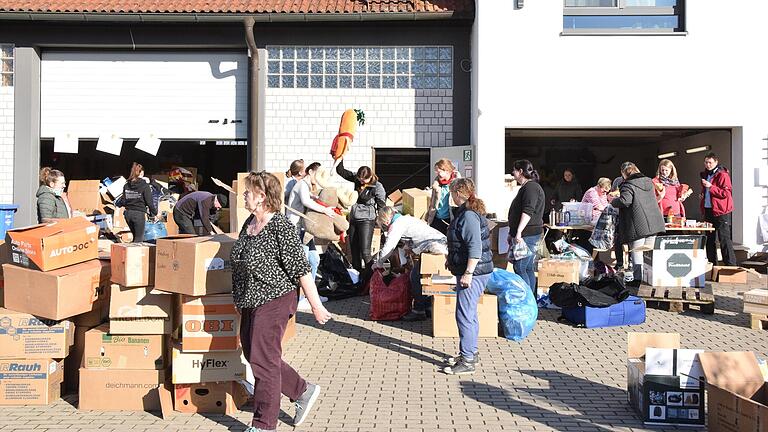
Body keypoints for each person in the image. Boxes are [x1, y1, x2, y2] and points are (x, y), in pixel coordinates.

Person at [231, 171, 332, 432]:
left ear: (262, 197)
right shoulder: (250, 224)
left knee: (263, 362)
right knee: (256, 355)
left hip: (275, 298)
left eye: (248, 192)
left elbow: (301, 270)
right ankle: (302, 390)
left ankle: (264, 425)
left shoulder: (281, 227)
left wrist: (316, 306)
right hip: (250, 301)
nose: (244, 195)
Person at [442, 178, 493, 376]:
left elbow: (475, 247)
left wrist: (468, 273)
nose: (450, 196)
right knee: (468, 313)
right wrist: (452, 260)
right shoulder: (465, 212)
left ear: (458, 193)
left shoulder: (469, 216)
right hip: (472, 268)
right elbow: (461, 243)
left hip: (475, 271)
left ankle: (468, 360)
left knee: (464, 315)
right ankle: (470, 353)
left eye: (451, 192)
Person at [373, 206, 447, 322]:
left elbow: (389, 247)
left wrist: (379, 263)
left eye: (383, 224)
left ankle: (419, 310)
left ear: (386, 220)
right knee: (425, 276)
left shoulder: (397, 225)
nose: (385, 227)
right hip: (439, 243)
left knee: (416, 276)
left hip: (434, 246)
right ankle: (427, 307)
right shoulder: (406, 219)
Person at [285, 162, 336, 311]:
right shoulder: (301, 185)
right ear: (311, 172)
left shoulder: (306, 187)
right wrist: (325, 210)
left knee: (314, 260)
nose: (319, 179)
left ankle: (310, 295)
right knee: (304, 263)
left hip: (304, 229)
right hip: (296, 228)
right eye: (318, 174)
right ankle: (302, 297)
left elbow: (310, 199)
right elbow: (306, 201)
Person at [611, 162, 665, 283]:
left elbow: (625, 201)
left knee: (637, 252)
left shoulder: (627, 185)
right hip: (654, 222)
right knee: (649, 254)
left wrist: (613, 201)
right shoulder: (649, 182)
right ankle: (650, 279)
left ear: (624, 173)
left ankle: (638, 280)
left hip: (638, 224)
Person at [335, 159, 386, 272]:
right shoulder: (356, 179)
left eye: (365, 180)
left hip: (367, 220)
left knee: (365, 251)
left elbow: (382, 205)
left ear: (370, 176)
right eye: (360, 179)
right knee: (354, 250)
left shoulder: (377, 187)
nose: (362, 182)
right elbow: (341, 171)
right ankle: (357, 277)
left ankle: (371, 277)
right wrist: (340, 157)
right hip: (354, 218)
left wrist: (381, 222)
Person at [506, 160, 545, 294]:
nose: (513, 173)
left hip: (528, 234)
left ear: (520, 171)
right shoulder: (527, 187)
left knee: (520, 267)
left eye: (514, 170)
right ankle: (531, 300)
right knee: (527, 267)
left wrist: (518, 232)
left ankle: (527, 299)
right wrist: (512, 232)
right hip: (526, 233)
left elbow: (528, 211)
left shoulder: (531, 188)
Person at [699, 152, 736, 266]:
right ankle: (712, 265)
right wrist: (702, 196)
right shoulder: (706, 175)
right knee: (709, 239)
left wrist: (711, 187)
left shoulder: (722, 175)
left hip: (721, 211)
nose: (708, 165)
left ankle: (731, 266)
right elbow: (708, 192)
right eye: (706, 162)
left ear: (716, 162)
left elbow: (726, 193)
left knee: (723, 238)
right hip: (708, 210)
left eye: (710, 162)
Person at [122, 162, 158, 243]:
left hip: (128, 214)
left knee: (135, 237)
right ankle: (136, 255)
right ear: (141, 173)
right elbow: (149, 202)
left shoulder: (126, 185)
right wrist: (155, 213)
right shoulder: (145, 186)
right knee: (139, 239)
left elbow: (123, 201)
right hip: (138, 214)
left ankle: (130, 254)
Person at [426, 158, 460, 235]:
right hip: (436, 219)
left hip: (450, 221)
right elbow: (433, 203)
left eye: (439, 172)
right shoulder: (437, 184)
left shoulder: (457, 185)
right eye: (436, 172)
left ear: (447, 171)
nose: (437, 174)